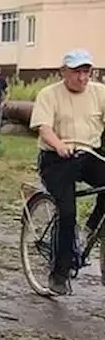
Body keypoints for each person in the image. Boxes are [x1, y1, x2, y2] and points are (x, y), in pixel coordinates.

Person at [29, 49, 105, 296]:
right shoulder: (49, 95)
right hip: (57, 158)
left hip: (89, 154)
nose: (82, 78)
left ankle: (92, 227)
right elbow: (44, 127)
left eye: (86, 72)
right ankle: (59, 273)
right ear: (64, 72)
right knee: (68, 211)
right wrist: (59, 145)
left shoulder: (99, 92)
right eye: (76, 72)